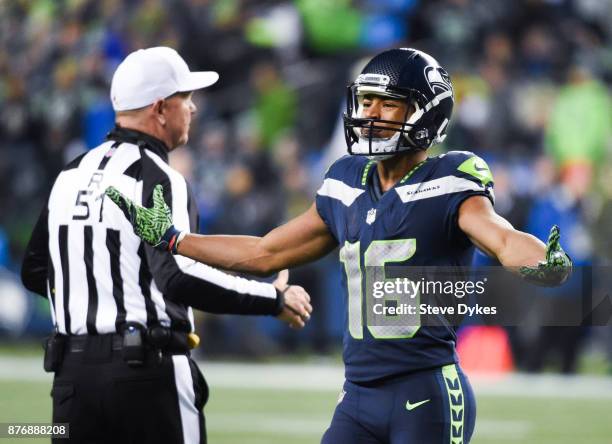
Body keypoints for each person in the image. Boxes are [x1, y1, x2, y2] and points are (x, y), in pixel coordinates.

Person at [105, 48, 572, 443]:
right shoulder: (345, 182)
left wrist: (541, 262)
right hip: (358, 395)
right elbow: (265, 251)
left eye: (386, 105)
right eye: (365, 102)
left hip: (426, 389)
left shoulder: (448, 181)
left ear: (427, 113)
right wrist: (176, 239)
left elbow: (502, 238)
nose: (369, 115)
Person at [21, 46, 312, 444]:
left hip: (71, 377)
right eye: (185, 99)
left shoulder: (70, 173)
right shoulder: (156, 177)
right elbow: (177, 275)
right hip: (145, 376)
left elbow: (36, 270)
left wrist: (96, 303)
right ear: (160, 109)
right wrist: (272, 299)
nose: (192, 109)